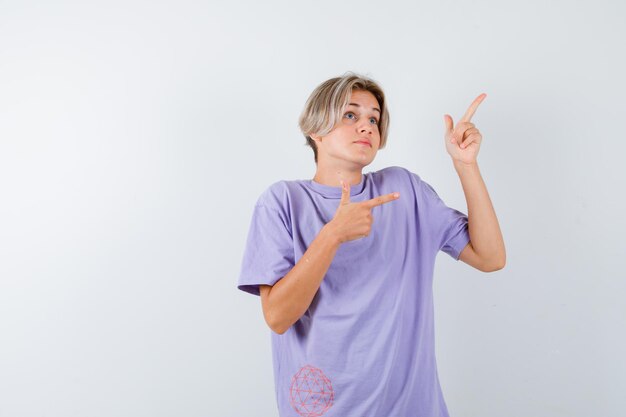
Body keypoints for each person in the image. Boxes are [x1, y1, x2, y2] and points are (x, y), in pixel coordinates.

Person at [237, 72, 505, 417]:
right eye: (350, 115)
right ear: (315, 128)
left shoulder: (404, 190)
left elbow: (490, 257)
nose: (366, 126)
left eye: (373, 119)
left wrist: (465, 166)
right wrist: (332, 234)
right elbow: (277, 317)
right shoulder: (283, 201)